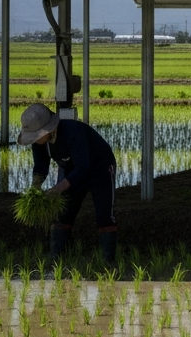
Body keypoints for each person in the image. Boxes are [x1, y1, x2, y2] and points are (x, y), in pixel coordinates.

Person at [17, 103, 119, 263]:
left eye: (37, 136)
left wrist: (57, 189)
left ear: (49, 129)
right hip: (72, 170)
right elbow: (40, 166)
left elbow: (83, 168)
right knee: (63, 213)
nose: (35, 140)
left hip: (100, 168)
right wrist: (35, 188)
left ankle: (109, 261)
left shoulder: (73, 132)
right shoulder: (40, 143)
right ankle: (56, 258)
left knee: (104, 215)